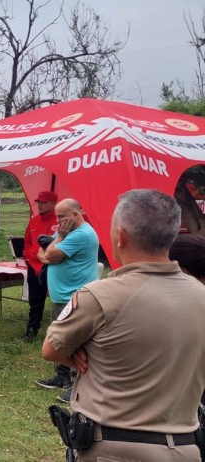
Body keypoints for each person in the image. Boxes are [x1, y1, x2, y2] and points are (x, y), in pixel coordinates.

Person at [43, 189, 205, 461]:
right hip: (187, 447)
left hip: (114, 447)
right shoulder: (200, 295)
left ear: (120, 236)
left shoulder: (99, 296)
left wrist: (84, 358)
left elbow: (52, 349)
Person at [34, 198, 100, 402]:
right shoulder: (67, 232)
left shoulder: (81, 234)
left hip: (75, 295)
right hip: (62, 295)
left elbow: (51, 253)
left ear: (75, 214)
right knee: (60, 339)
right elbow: (42, 253)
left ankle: (76, 384)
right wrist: (52, 249)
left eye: (62, 216)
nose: (58, 221)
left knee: (74, 342)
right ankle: (62, 377)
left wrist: (58, 239)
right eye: (57, 216)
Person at [22, 191, 59, 342]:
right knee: (35, 301)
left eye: (43, 202)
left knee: (59, 299)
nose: (40, 205)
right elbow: (27, 242)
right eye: (39, 202)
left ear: (53, 203)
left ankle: (59, 332)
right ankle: (31, 331)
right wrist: (28, 256)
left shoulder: (60, 222)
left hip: (54, 266)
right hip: (34, 266)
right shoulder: (34, 221)